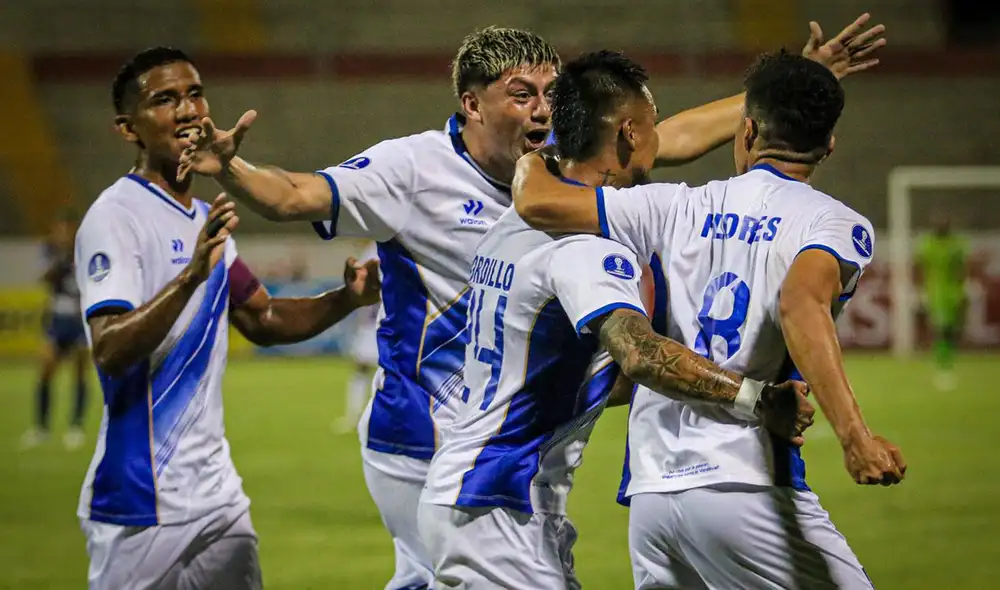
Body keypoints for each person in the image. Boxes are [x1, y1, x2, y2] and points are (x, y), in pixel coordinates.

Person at [177, 20, 883, 588]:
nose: (542, 108)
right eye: (522, 93)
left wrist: (789, 90)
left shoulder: (525, 216)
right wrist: (757, 399)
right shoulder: (550, 227)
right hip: (459, 466)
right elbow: (637, 352)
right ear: (472, 103)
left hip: (493, 475)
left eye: (551, 93)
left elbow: (661, 145)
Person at [417, 51, 814, 590]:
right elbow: (639, 353)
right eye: (653, 127)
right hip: (500, 502)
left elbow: (577, 372)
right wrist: (756, 399)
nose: (659, 140)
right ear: (630, 133)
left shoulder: (515, 221)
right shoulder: (585, 245)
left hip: (476, 495)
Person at [512, 49, 906, 589]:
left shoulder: (671, 205)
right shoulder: (833, 224)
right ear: (828, 146)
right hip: (744, 484)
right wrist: (855, 437)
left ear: (746, 132)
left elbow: (536, 201)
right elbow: (800, 304)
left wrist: (537, 149)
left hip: (652, 496)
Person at [75, 47, 380, 590]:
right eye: (164, 100)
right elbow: (110, 348)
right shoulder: (114, 218)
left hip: (217, 497)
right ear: (129, 128)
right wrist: (191, 274)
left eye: (194, 94)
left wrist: (345, 299)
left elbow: (261, 317)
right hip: (142, 503)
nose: (188, 109)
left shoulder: (201, 216)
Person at [21, 210, 90, 450]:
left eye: (67, 229)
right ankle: (41, 428)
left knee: (80, 372)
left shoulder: (86, 250)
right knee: (46, 369)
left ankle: (76, 426)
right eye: (59, 229)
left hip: (80, 319)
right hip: (57, 320)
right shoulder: (50, 251)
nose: (63, 234)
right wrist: (60, 260)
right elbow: (43, 278)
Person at [916, 211, 967, 391]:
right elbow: (920, 266)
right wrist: (920, 288)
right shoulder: (928, 244)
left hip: (953, 291)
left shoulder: (957, 244)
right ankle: (943, 364)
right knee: (941, 329)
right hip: (935, 292)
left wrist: (963, 288)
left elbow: (962, 268)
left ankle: (946, 360)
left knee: (951, 330)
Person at [335, 241, 380, 433]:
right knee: (362, 368)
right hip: (370, 324)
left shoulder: (383, 248)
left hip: (387, 323)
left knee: (386, 372)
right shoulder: (373, 249)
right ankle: (355, 416)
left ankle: (370, 418)